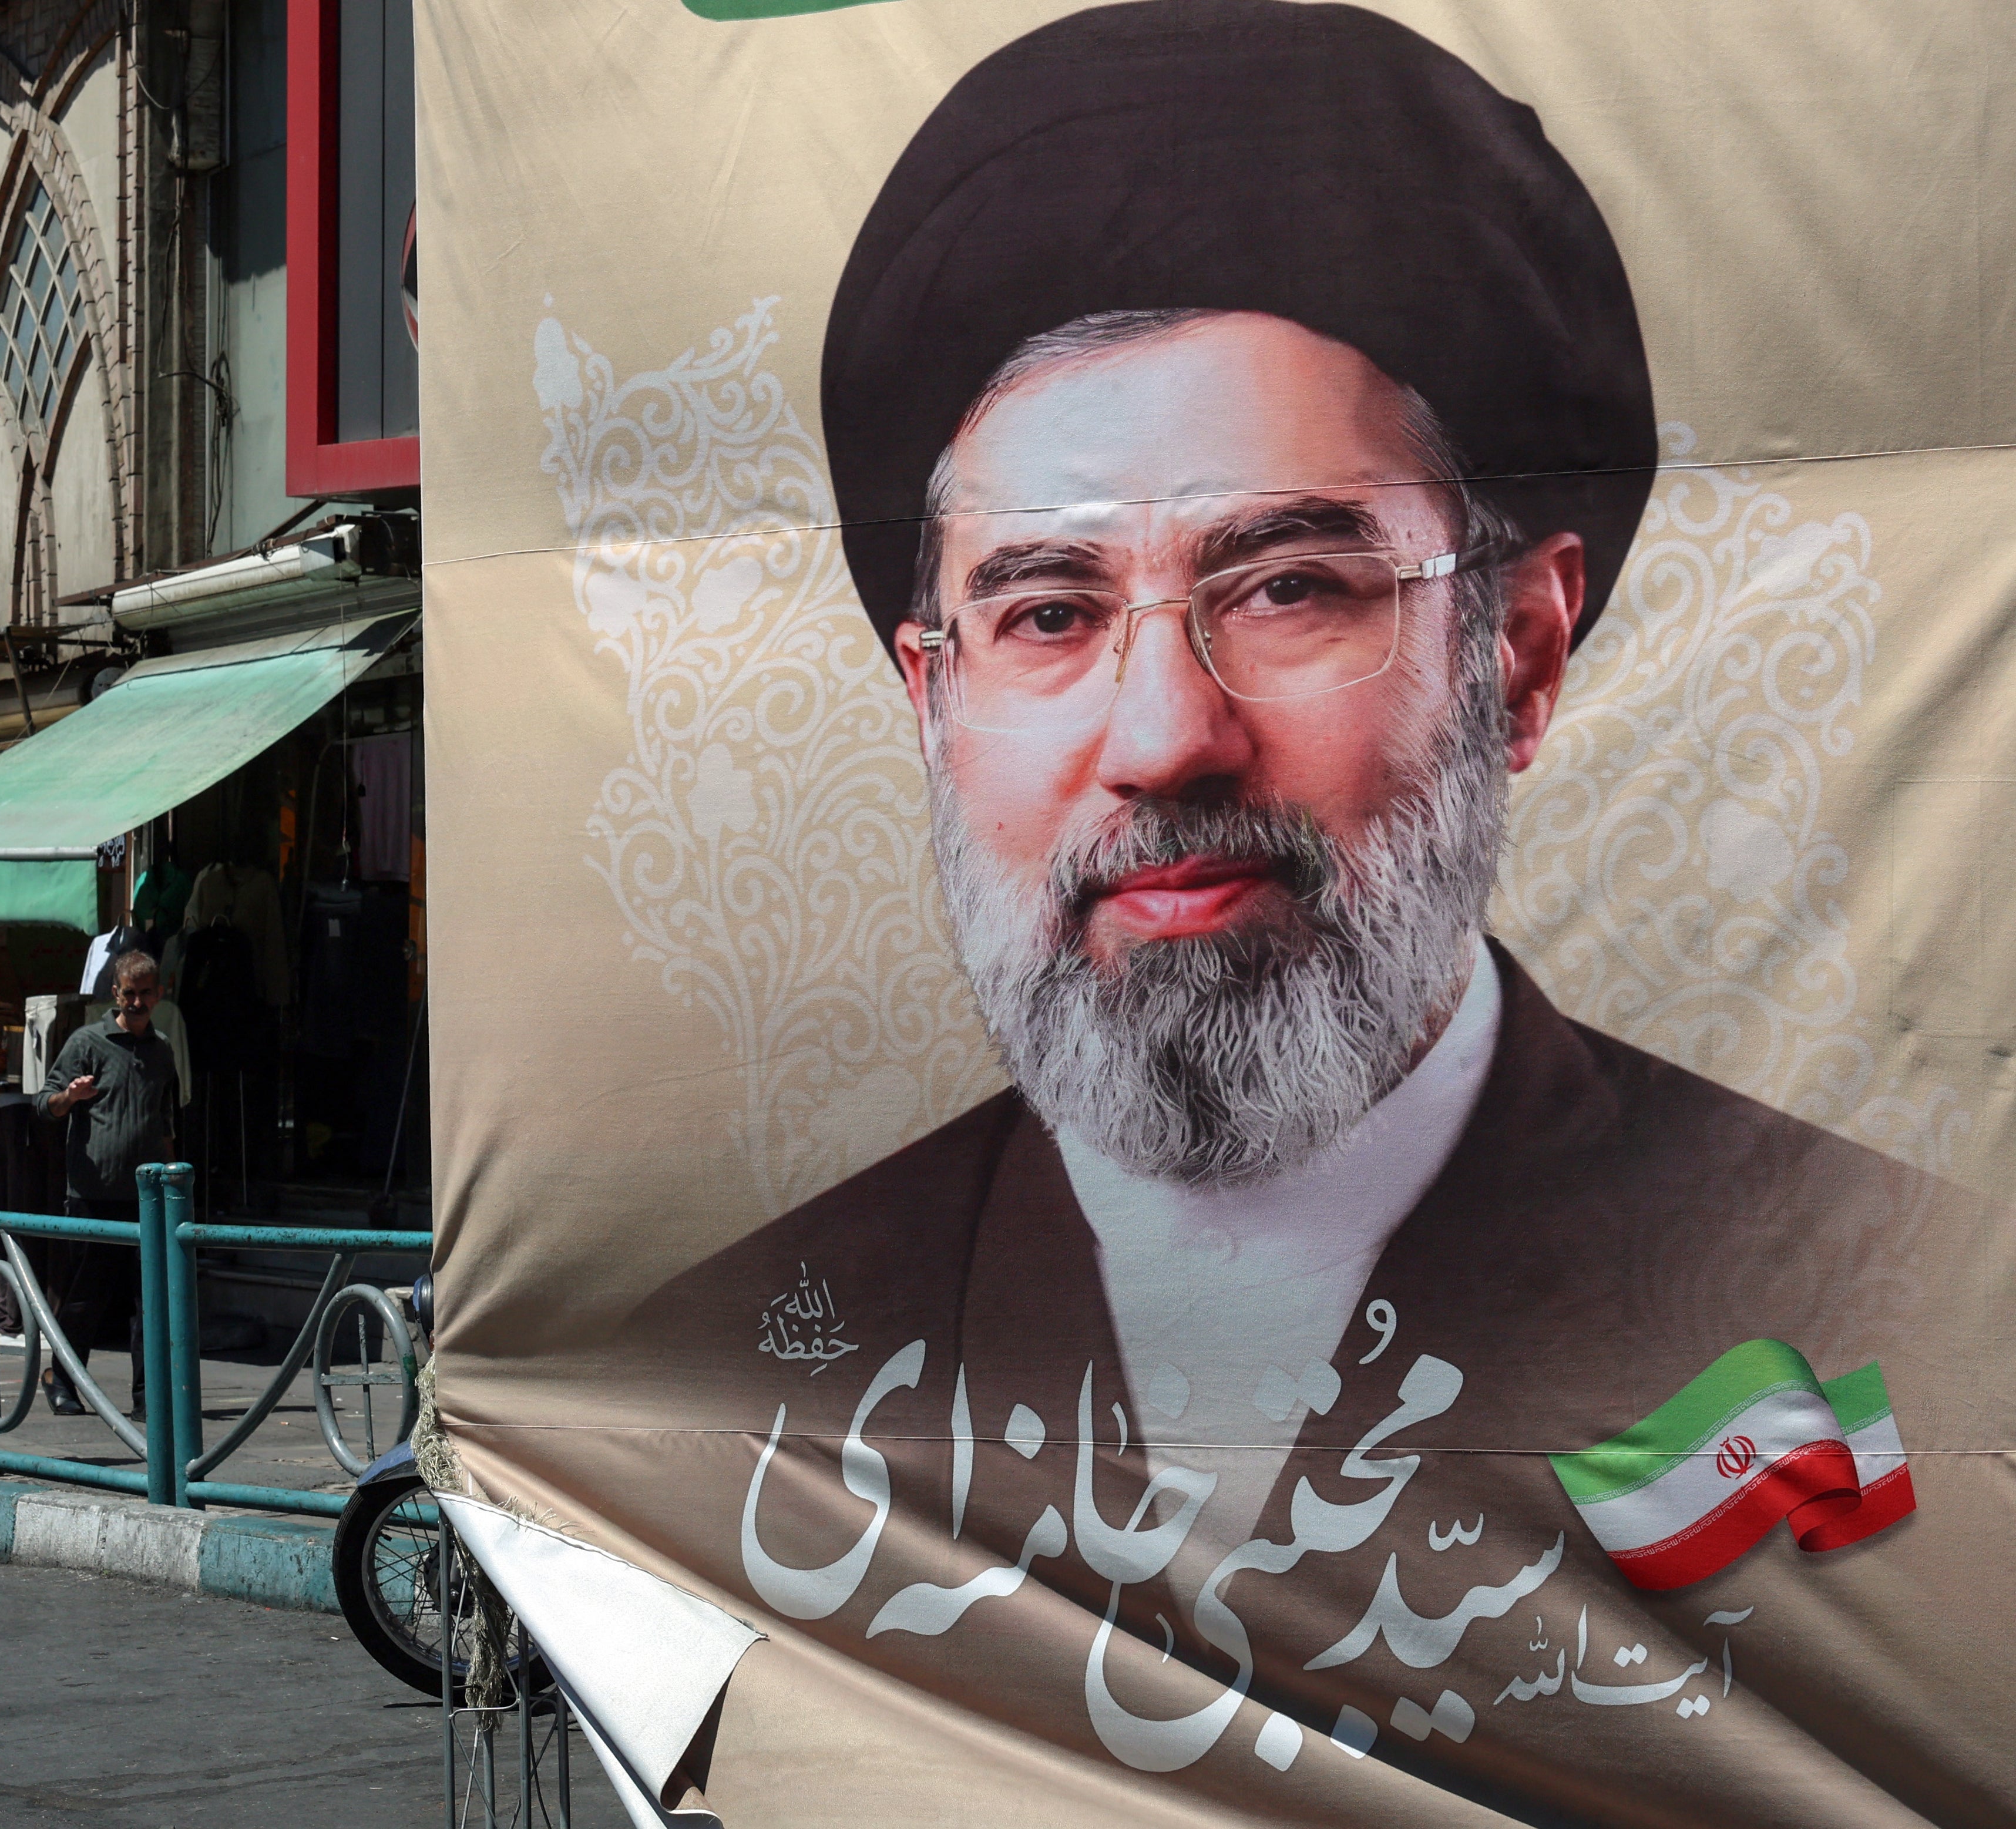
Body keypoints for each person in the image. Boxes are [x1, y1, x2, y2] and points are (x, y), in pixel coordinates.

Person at [549, 4, 2012, 1814]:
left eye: (1292, 585)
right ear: (930, 702)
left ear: (1521, 651)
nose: (1166, 738)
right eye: (1049, 614)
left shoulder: (1878, 1318)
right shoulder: (724, 1370)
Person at [38, 950, 178, 1417]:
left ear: (159, 994)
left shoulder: (161, 1051)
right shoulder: (88, 1042)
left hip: (146, 1199)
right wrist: (69, 1096)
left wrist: (173, 1187)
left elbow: (165, 1123)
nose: (137, 1002)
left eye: (146, 994)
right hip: (93, 1197)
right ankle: (61, 1380)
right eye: (129, 993)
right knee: (85, 1300)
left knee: (149, 1303)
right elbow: (44, 1104)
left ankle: (147, 1395)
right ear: (116, 994)